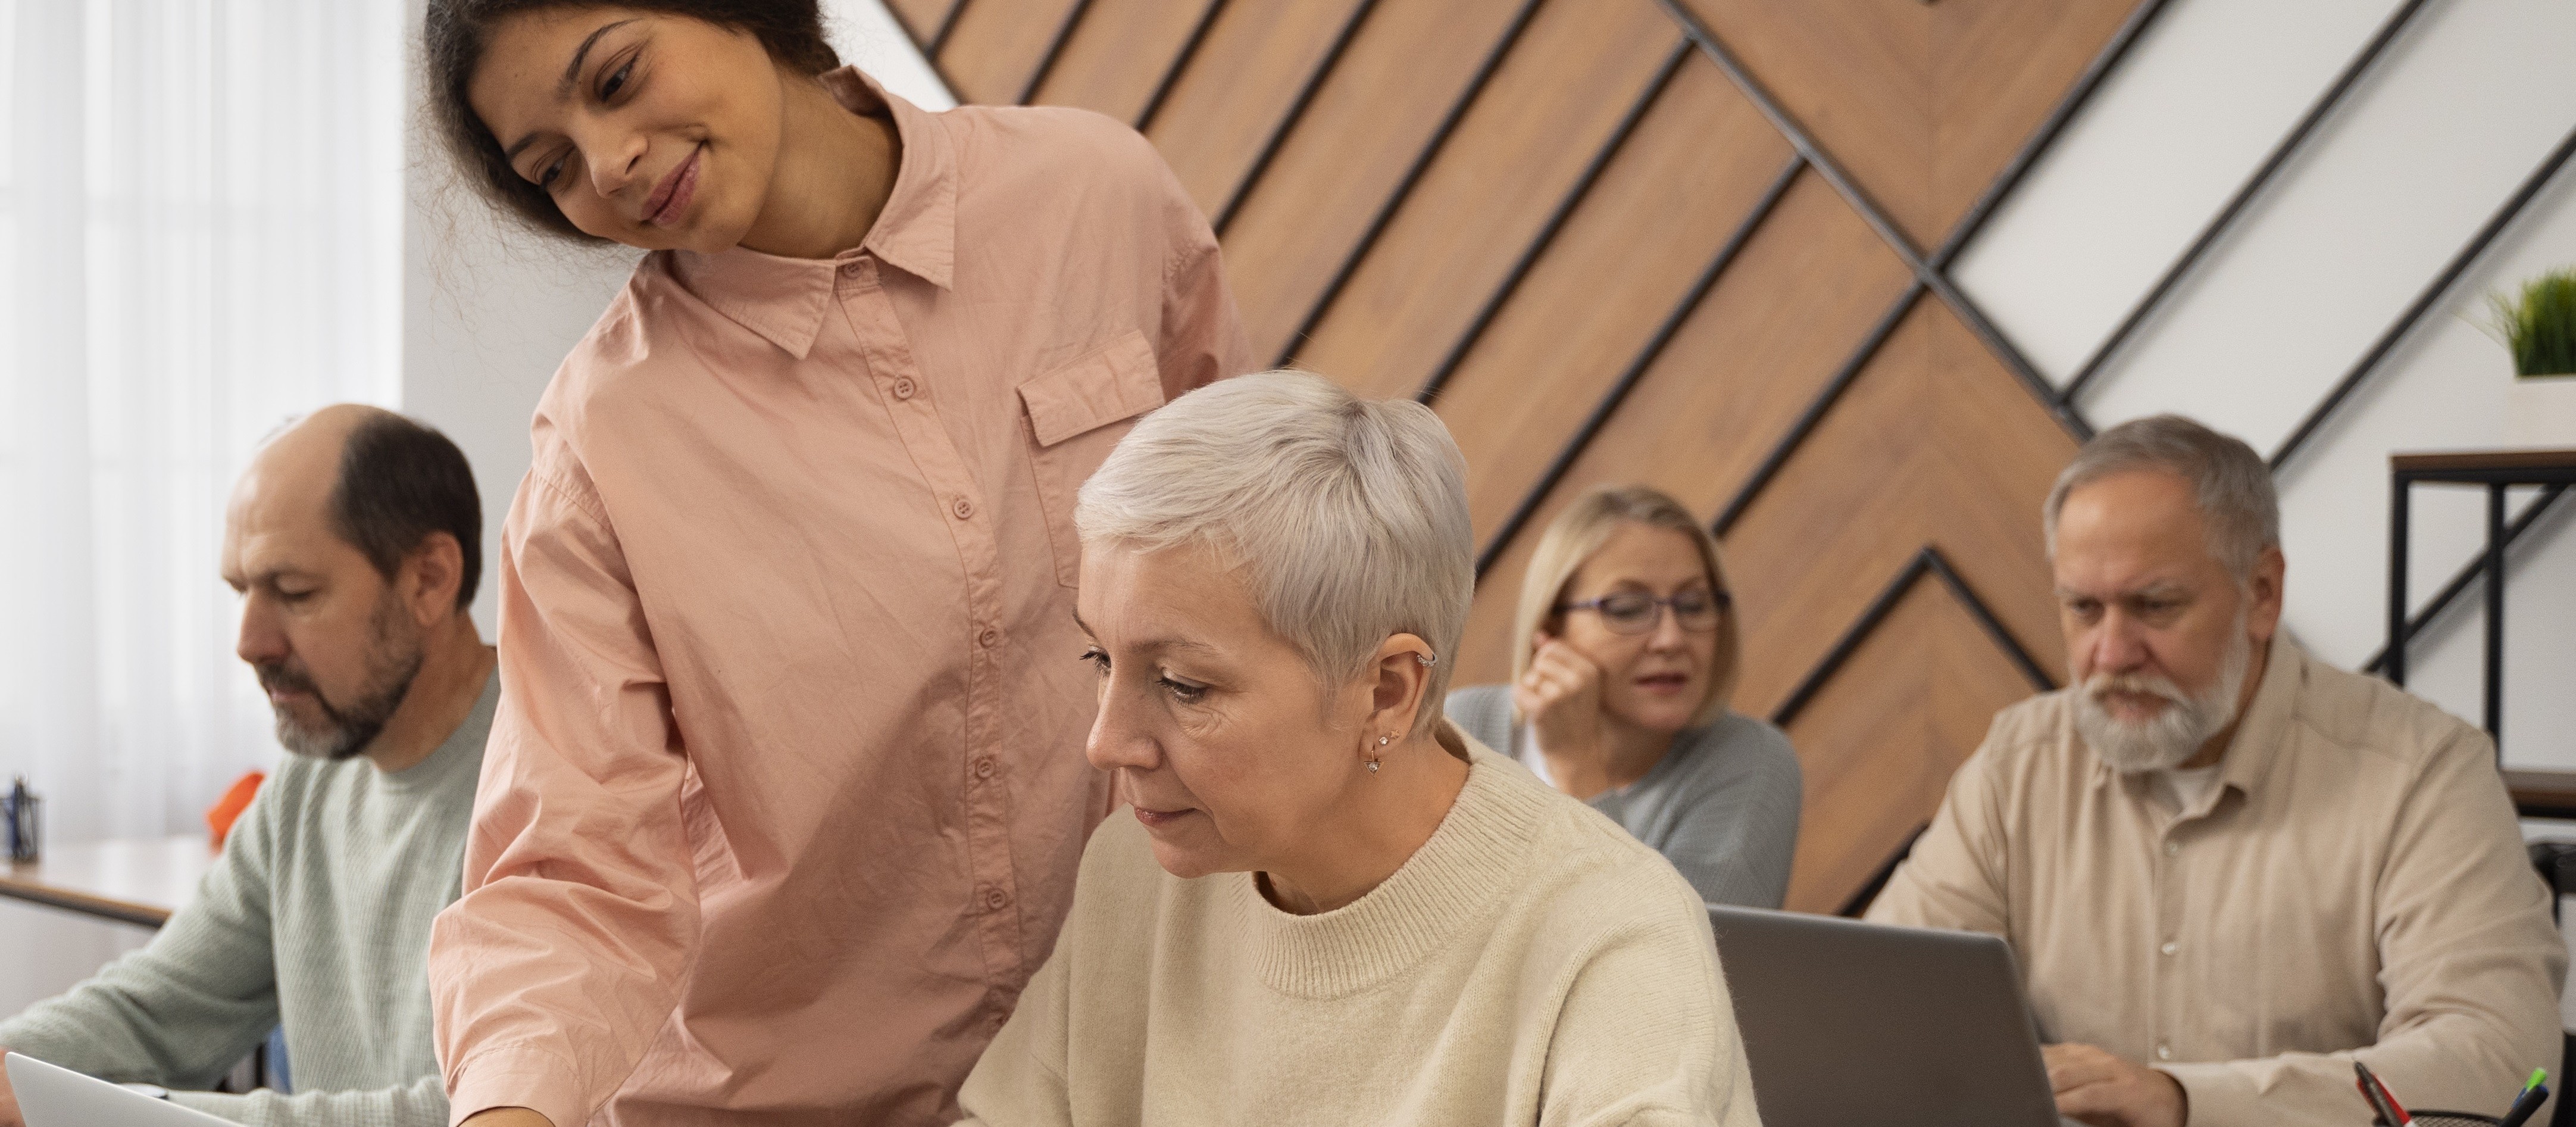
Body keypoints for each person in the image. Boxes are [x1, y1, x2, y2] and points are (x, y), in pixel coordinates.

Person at [416, 4, 1251, 1125]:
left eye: (615, 78)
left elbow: (1259, 575)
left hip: (1140, 1072)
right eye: (551, 165)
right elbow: (571, 866)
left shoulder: (1098, 199)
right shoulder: (603, 445)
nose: (607, 167)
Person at [952, 371, 1759, 1126]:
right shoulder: (1137, 871)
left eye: (1184, 685)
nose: (1106, 743)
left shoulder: (1614, 944)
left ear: (1388, 692)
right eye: (1101, 659)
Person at [1867, 414, 2565, 1127]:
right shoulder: (2017, 766)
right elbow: (1877, 1004)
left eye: (2154, 605)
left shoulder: (2422, 773)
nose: (2109, 653)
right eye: (2082, 608)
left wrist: (2184, 1101)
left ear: (2261, 592)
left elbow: (2499, 1062)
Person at [0, 407, 498, 1127]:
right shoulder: (308, 781)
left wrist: (143, 1114)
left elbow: (486, 1110)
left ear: (429, 579)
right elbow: (154, 1009)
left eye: (294, 592)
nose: (249, 641)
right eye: (242, 591)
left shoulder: (551, 782)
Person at [1446, 485, 1800, 909]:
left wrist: (1578, 767)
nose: (1671, 638)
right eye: (1628, 608)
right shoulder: (1462, 727)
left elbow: (1677, 962)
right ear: (1552, 627)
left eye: (1693, 605)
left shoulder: (1750, 761)